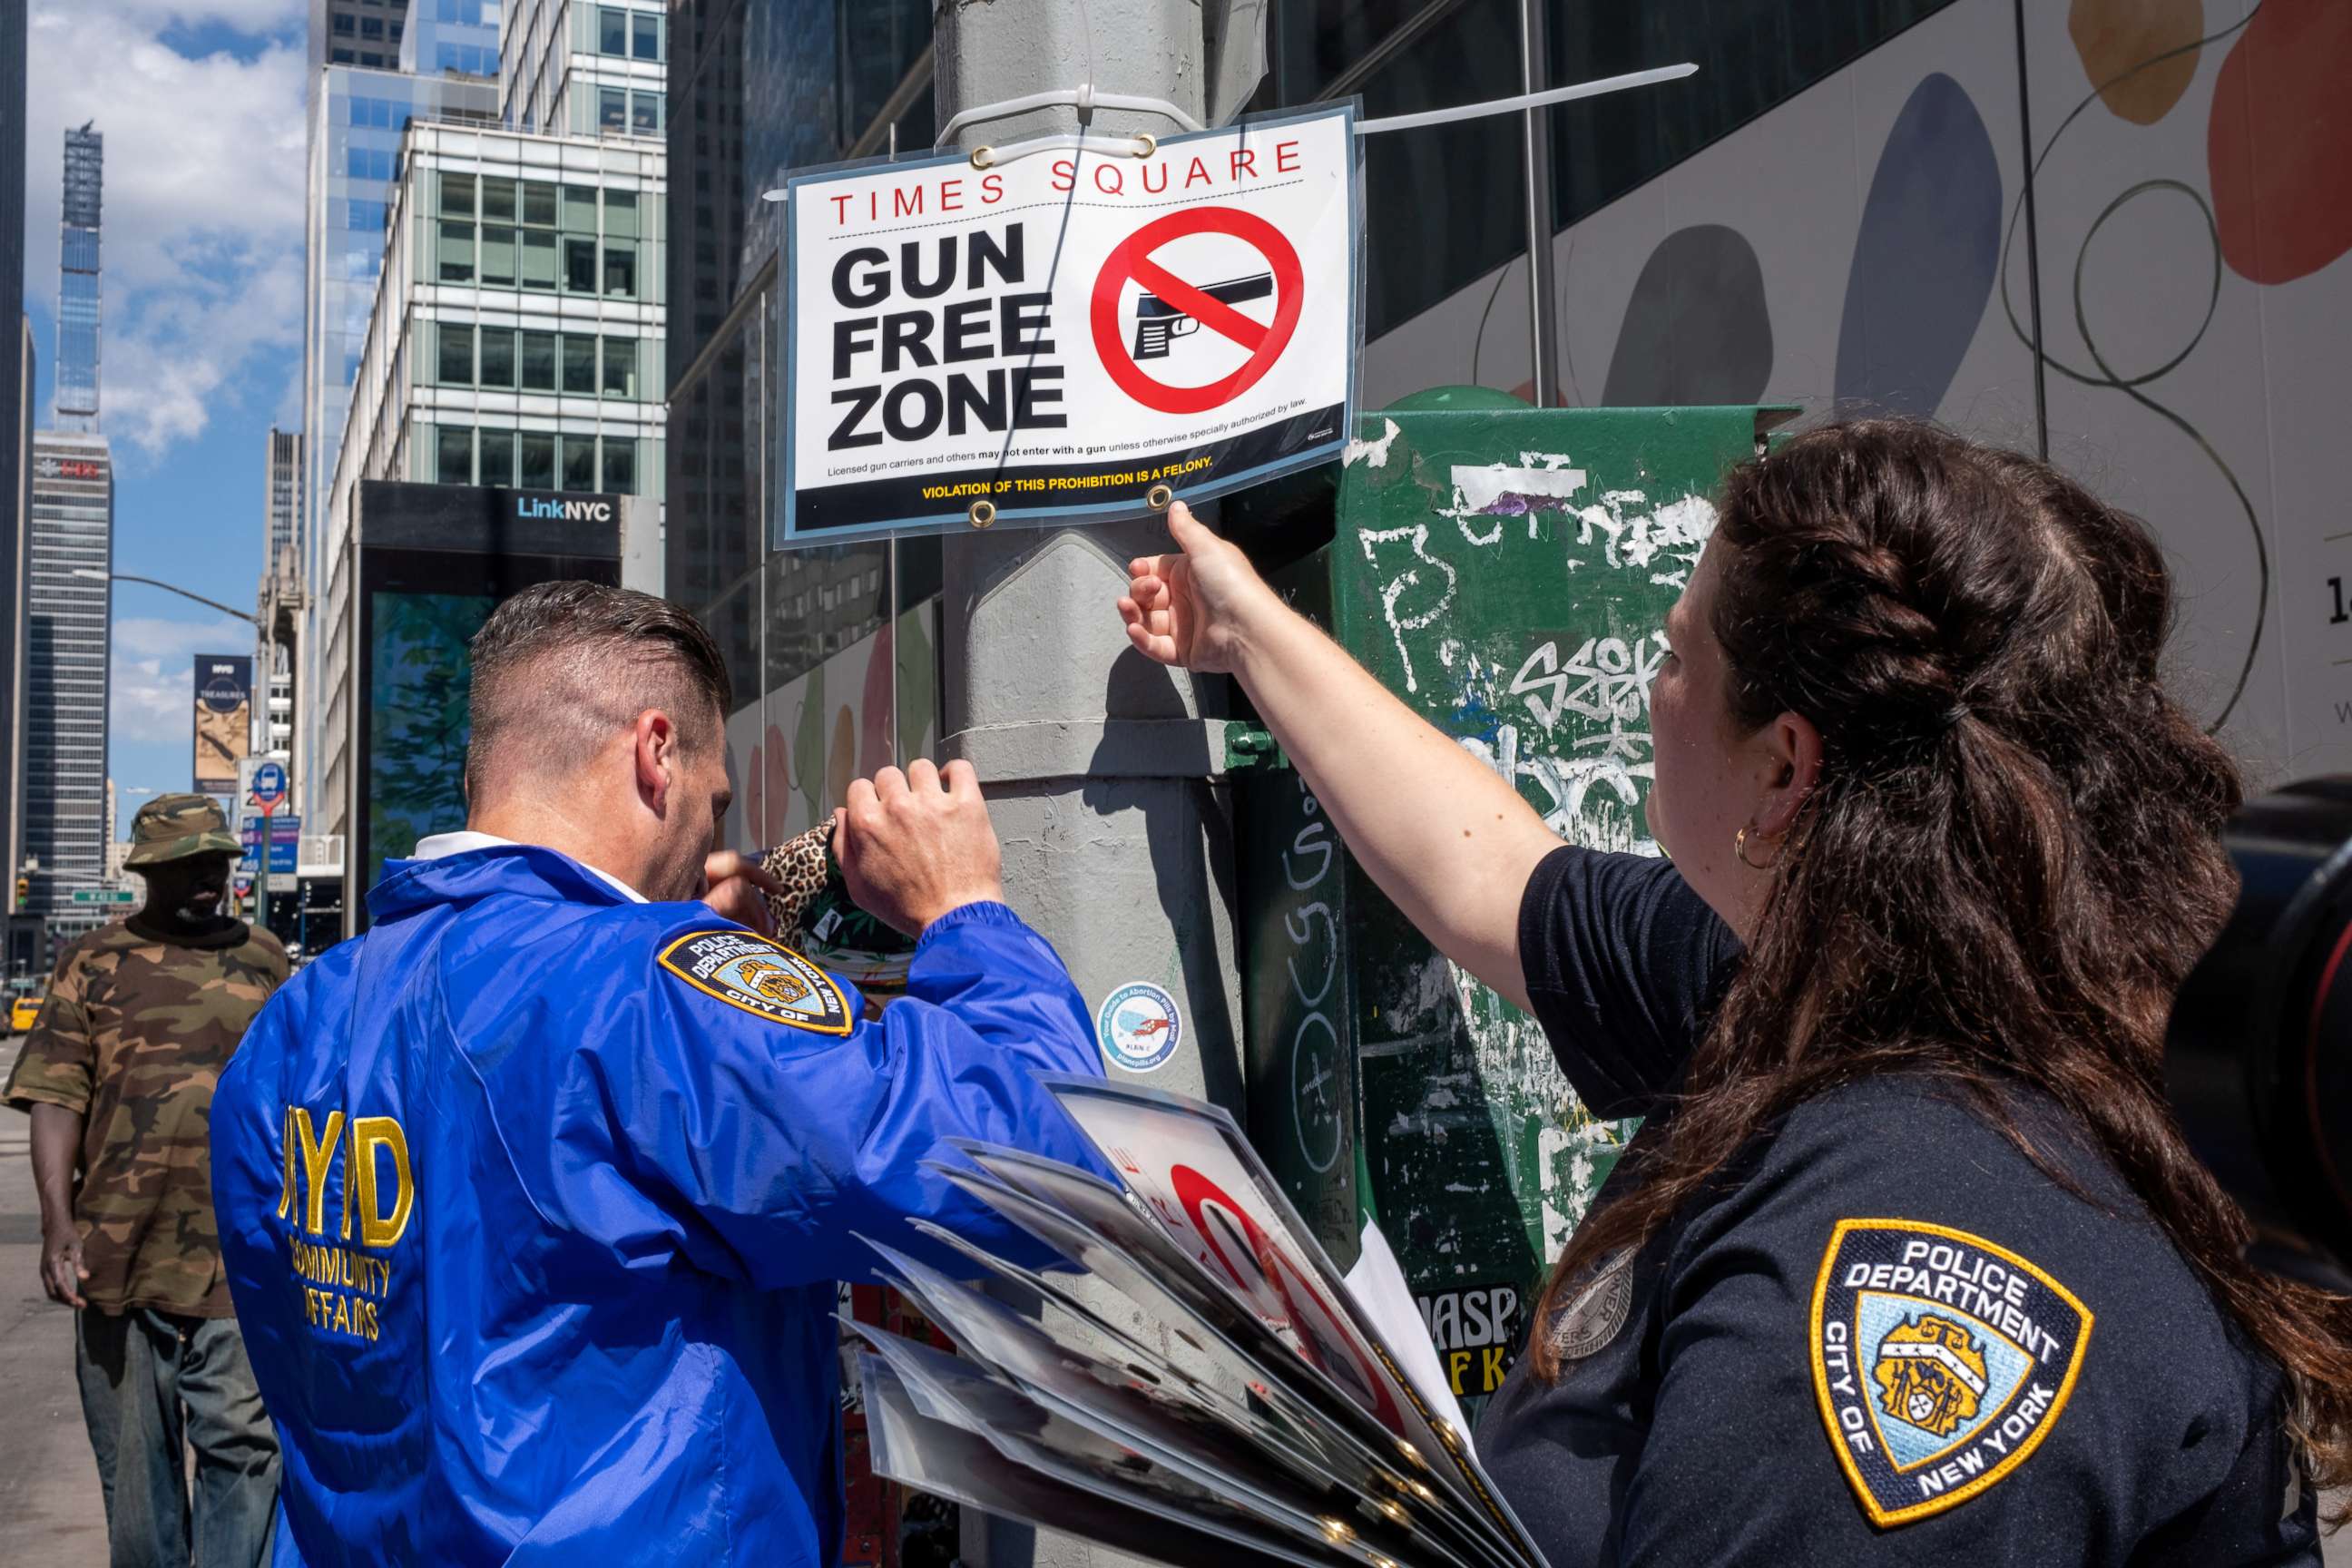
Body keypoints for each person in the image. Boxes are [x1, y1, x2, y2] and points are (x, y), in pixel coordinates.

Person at [1118, 420, 2352, 1564]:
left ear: (1783, 767)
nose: (1650, 690)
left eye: (1673, 654)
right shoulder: (1842, 972)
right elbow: (1491, 875)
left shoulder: (1916, 1238)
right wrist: (1244, 630)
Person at [208, 582, 1112, 1565]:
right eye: (716, 800)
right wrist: (965, 911)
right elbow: (1042, 1174)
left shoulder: (293, 1021)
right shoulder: (648, 988)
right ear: (657, 753)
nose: (713, 839)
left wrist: (734, 986)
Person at [5, 793, 286, 1568]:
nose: (205, 878)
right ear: (146, 872)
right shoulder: (92, 962)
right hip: (118, 1259)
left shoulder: (264, 958)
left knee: (247, 1454)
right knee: (137, 1487)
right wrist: (58, 1224)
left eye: (215, 862)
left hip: (242, 1260)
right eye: (185, 865)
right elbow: (58, 1096)